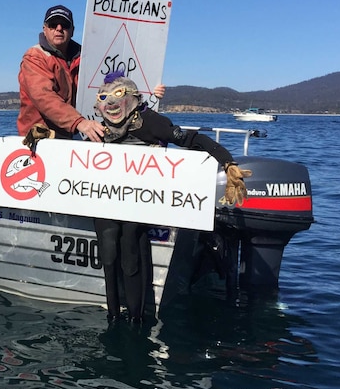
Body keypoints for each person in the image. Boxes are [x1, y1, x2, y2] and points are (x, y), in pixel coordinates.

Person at [90, 70, 251, 326]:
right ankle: (112, 315)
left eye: (118, 96)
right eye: (103, 97)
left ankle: (135, 319)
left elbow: (190, 139)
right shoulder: (96, 129)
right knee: (108, 255)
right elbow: (71, 154)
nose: (110, 104)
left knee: (131, 248)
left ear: (132, 99)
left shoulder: (150, 122)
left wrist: (227, 161)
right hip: (105, 203)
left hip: (136, 203)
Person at [17, 5, 165, 145]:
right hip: (40, 139)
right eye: (53, 24)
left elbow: (113, 86)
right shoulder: (35, 57)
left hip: (73, 137)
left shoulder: (87, 58)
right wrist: (79, 122)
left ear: (73, 30)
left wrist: (150, 93)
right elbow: (44, 97)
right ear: (45, 29)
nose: (59, 28)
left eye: (65, 25)